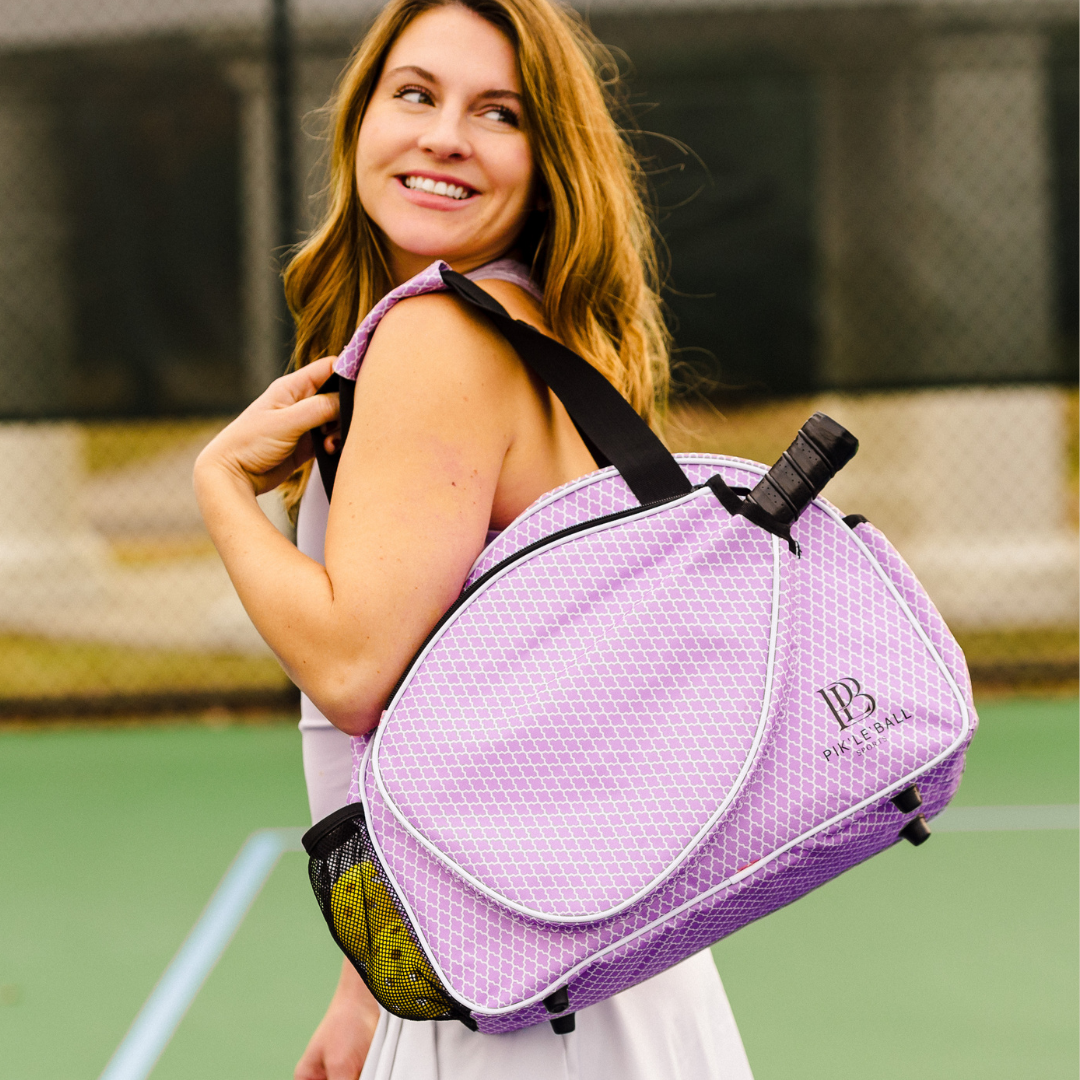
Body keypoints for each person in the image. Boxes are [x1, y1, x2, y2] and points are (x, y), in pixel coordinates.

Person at [194, 0, 755, 1076]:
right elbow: (459, 735)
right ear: (361, 119)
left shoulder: (437, 336)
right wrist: (365, 987)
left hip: (512, 999)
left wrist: (219, 486)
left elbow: (358, 673)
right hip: (595, 964)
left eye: (497, 112)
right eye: (416, 94)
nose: (444, 134)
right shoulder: (546, 332)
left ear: (546, 161)